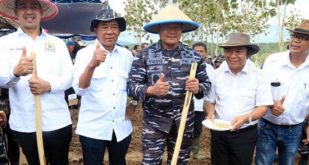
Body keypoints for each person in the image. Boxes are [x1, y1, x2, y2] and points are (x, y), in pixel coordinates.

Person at [127, 5, 210, 164]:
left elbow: (206, 85)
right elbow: (131, 86)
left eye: (176, 27)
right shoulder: (144, 55)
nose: (172, 31)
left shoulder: (194, 56)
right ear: (158, 29)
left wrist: (198, 87)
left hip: (183, 122)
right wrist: (151, 90)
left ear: (182, 30)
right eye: (167, 27)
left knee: (179, 162)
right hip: (154, 123)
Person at [0, 0, 73, 164]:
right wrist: (15, 72)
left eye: (34, 6)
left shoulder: (57, 43)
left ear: (41, 11)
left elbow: (69, 76)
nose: (28, 11)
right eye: (23, 6)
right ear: (16, 12)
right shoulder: (4, 43)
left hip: (57, 121)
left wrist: (49, 86)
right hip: (24, 124)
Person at [72, 8, 135, 165]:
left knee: (119, 162)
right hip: (93, 127)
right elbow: (80, 89)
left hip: (121, 127)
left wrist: (134, 102)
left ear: (119, 31)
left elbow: (135, 83)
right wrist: (92, 65)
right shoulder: (84, 54)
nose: (109, 32)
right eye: (104, 27)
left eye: (114, 27)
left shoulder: (127, 55)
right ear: (96, 30)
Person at [205, 32, 273, 165]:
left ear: (247, 54)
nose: (232, 55)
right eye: (228, 51)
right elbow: (210, 100)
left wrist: (246, 118)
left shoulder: (259, 76)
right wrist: (210, 113)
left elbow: (263, 106)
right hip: (219, 133)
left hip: (245, 134)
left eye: (238, 51)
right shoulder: (216, 74)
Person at [255, 19, 309, 165]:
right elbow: (261, 89)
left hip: (295, 129)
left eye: (304, 38)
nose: (296, 41)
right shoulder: (273, 61)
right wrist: (271, 105)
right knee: (263, 162)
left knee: (287, 162)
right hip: (267, 125)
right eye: (294, 36)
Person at [191, 42, 214, 159]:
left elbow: (212, 87)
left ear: (206, 53)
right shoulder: (187, 66)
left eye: (201, 51)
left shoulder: (210, 69)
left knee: (197, 130)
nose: (199, 54)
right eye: (196, 51)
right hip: (187, 105)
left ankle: (195, 152)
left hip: (201, 106)